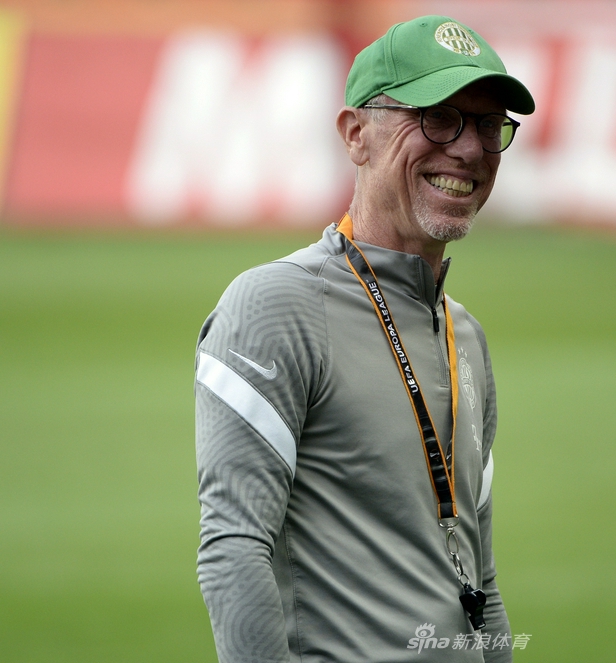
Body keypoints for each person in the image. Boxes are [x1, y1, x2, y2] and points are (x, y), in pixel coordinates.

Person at [194, 15, 535, 663]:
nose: (469, 148)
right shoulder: (275, 306)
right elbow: (234, 550)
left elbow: (479, 580)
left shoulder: (465, 335)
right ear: (356, 134)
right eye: (438, 118)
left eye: (489, 125)